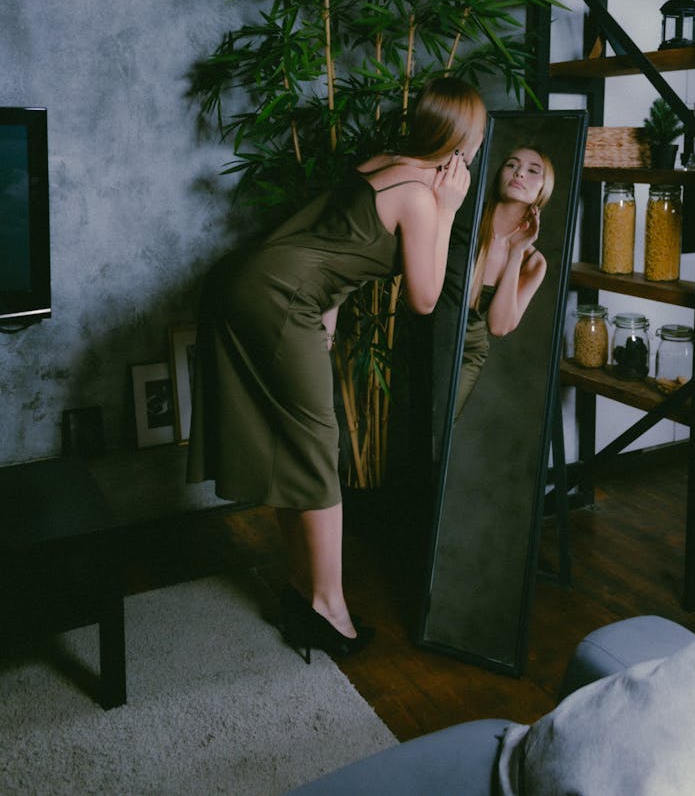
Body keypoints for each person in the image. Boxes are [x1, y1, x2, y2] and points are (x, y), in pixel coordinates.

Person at [186, 76, 486, 660]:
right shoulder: (424, 198)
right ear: (461, 138)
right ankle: (328, 607)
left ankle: (303, 593)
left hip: (251, 281)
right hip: (277, 299)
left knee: (290, 439)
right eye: (476, 131)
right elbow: (424, 299)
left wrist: (330, 307)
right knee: (319, 443)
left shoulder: (384, 161)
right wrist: (448, 210)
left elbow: (334, 235)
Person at [454, 146, 555, 417]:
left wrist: (515, 252)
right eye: (512, 165)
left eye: (533, 170)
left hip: (468, 352)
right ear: (499, 174)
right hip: (430, 335)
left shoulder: (534, 262)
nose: (520, 172)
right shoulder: (463, 216)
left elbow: (498, 326)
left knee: (439, 433)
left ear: (543, 189)